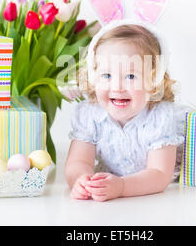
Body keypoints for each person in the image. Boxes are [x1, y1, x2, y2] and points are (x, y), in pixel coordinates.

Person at [64, 23, 184, 202]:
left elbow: (159, 174)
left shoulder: (160, 118)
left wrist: (121, 187)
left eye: (131, 76)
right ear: (93, 77)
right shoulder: (90, 115)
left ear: (154, 81)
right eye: (106, 76)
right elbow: (78, 162)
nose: (117, 87)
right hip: (112, 182)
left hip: (153, 196)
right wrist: (81, 180)